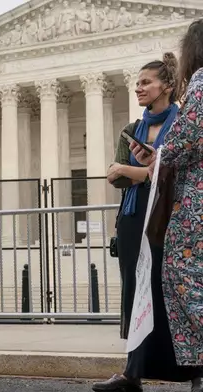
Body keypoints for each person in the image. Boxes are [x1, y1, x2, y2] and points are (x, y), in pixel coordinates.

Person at [94, 52, 202, 392]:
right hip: (134, 215)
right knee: (136, 293)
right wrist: (141, 171)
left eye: (146, 82)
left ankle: (194, 372)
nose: (139, 88)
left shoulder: (184, 122)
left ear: (167, 86)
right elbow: (115, 175)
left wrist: (134, 170)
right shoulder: (132, 129)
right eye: (137, 82)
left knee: (172, 293)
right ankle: (131, 373)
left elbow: (174, 166)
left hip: (171, 217)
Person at [132, 19, 203, 383]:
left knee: (183, 280)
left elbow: (186, 138)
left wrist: (155, 158)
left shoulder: (201, 84)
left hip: (194, 209)